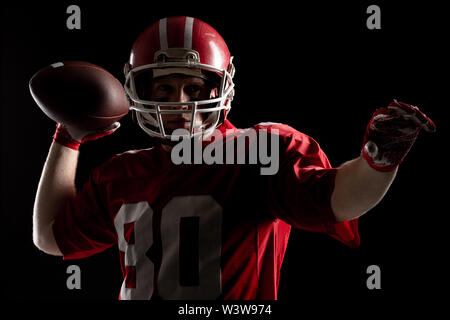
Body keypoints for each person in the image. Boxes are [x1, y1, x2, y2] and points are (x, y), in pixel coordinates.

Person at [32, 16, 435, 300]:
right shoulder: (123, 172)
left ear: (221, 88)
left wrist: (378, 157)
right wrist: (67, 139)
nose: (180, 104)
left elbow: (340, 199)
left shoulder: (259, 150)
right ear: (138, 90)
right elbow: (50, 237)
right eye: (165, 89)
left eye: (194, 88)